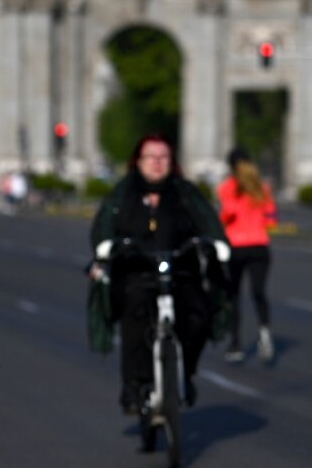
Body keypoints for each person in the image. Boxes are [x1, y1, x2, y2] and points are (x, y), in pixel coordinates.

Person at [89, 133, 230, 415]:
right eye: (150, 157)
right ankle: (134, 386)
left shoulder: (184, 191)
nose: (157, 163)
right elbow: (104, 222)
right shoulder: (124, 191)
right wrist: (104, 247)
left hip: (180, 271)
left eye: (163, 157)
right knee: (135, 316)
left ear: (172, 161)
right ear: (138, 161)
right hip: (136, 272)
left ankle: (184, 375)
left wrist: (218, 243)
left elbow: (208, 220)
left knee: (197, 317)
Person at [216, 148, 278, 363]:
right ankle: (265, 332)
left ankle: (235, 344)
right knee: (259, 292)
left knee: (233, 296)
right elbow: (271, 220)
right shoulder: (262, 188)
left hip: (236, 247)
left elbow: (226, 215)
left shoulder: (227, 188)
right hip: (260, 246)